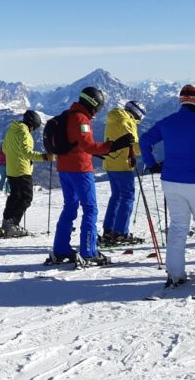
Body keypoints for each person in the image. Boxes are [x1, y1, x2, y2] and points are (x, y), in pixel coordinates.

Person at [140, 85, 195, 288]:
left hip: (170, 180)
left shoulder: (168, 122)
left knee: (177, 227)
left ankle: (175, 273)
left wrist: (152, 164)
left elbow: (145, 141)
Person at [48, 87, 134, 265]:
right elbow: (88, 146)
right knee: (90, 209)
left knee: (70, 207)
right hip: (80, 170)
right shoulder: (81, 119)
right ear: (93, 104)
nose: (98, 111)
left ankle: (61, 248)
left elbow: (76, 144)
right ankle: (89, 251)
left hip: (64, 168)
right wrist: (113, 146)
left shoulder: (69, 115)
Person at [0, 110, 52, 238]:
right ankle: (12, 225)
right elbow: (27, 153)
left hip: (11, 170)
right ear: (32, 125)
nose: (34, 130)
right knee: (26, 197)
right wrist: (45, 157)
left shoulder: (11, 130)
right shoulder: (24, 133)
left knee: (15, 196)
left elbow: (4, 149)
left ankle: (6, 223)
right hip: (22, 170)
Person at [101, 100, 147, 246]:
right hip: (123, 164)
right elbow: (134, 146)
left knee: (116, 196)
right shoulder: (127, 122)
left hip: (110, 163)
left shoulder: (114, 118)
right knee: (127, 197)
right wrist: (148, 145)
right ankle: (120, 233)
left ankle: (109, 230)